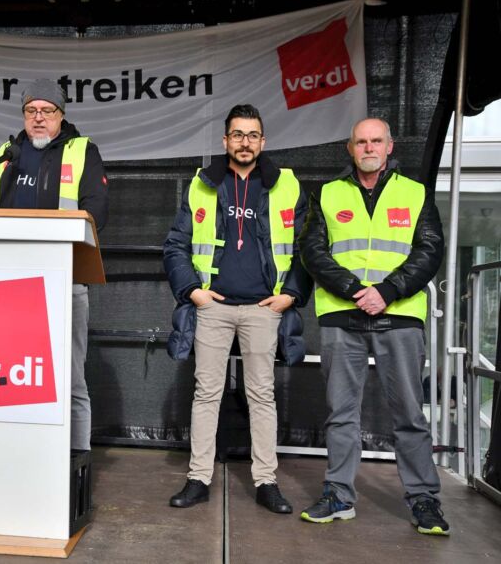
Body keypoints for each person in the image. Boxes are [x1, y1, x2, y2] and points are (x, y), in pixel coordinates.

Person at [298, 118, 449, 535]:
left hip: (398, 313)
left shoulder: (415, 192)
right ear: (350, 148)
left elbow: (430, 249)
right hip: (342, 316)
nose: (368, 147)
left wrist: (387, 289)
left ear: (389, 146)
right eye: (361, 141)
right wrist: (352, 288)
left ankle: (424, 501)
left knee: (409, 415)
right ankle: (339, 496)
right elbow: (312, 250)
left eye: (375, 141)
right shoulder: (326, 194)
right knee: (341, 414)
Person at [163, 103, 311, 513]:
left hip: (265, 308)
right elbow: (176, 244)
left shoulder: (287, 185)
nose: (244, 142)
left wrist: (291, 296)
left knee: (261, 396)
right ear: (225, 140)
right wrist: (192, 291)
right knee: (206, 394)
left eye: (252, 135)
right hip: (213, 305)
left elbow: (306, 249)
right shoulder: (203, 184)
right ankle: (198, 478)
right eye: (237, 135)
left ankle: (266, 481)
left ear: (263, 141)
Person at [0, 78, 108, 452]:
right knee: (11, 377)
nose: (39, 118)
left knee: (69, 381)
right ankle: (18, 453)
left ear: (61, 114)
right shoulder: (4, 154)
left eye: (47, 111)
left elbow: (96, 214)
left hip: (65, 281)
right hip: (10, 286)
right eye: (31, 111)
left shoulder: (82, 151)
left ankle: (75, 464)